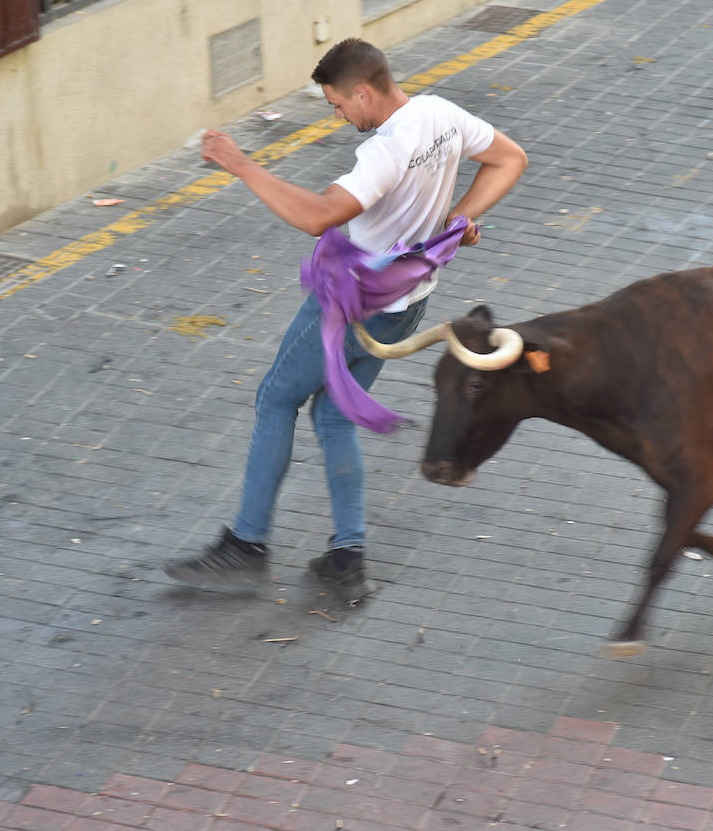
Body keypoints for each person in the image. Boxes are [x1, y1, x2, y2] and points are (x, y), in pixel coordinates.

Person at [162, 37, 527, 603]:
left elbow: (318, 217)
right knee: (334, 415)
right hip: (408, 307)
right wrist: (457, 220)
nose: (337, 115)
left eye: (336, 105)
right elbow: (510, 159)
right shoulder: (441, 114)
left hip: (353, 303)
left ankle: (246, 547)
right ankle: (347, 559)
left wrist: (240, 165)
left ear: (362, 92)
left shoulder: (385, 149)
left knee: (276, 399)